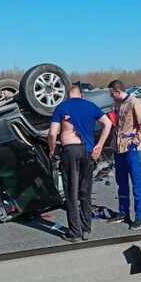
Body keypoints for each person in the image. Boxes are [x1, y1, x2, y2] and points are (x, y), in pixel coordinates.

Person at [47, 85, 112, 242]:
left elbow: (51, 132)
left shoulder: (62, 107)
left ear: (68, 96)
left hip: (70, 151)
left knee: (71, 192)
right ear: (81, 95)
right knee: (85, 192)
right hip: (88, 152)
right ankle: (86, 229)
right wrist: (99, 145)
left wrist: (52, 148)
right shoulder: (90, 106)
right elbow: (108, 124)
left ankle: (75, 232)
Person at [107, 79, 141, 230]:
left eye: (112, 94)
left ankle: (140, 217)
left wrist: (135, 141)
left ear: (117, 91)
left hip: (131, 149)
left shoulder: (135, 103)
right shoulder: (117, 104)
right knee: (121, 182)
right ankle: (123, 212)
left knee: (136, 183)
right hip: (118, 149)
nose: (111, 97)